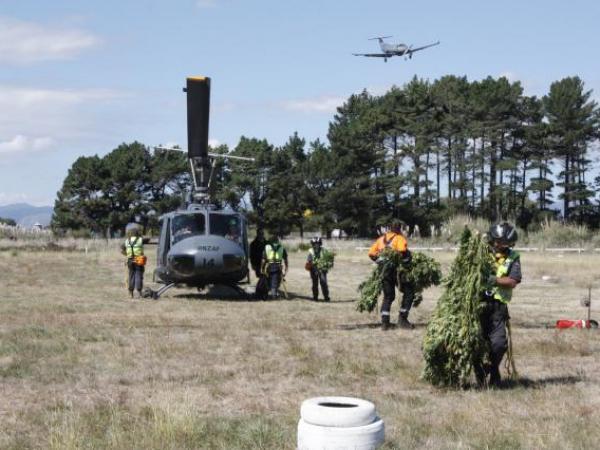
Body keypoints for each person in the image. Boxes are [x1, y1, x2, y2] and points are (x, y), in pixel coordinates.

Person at [475, 222, 522, 387]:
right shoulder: (480, 252)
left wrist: (495, 280)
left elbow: (513, 281)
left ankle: (490, 368)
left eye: (503, 243)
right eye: (497, 241)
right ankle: (480, 372)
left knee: (499, 343)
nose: (499, 245)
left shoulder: (513, 258)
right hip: (477, 305)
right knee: (477, 341)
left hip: (498, 308)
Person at [368, 219, 415, 330]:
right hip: (397, 272)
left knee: (388, 296)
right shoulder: (399, 238)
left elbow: (371, 253)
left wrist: (379, 260)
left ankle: (385, 323)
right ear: (399, 229)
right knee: (409, 292)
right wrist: (408, 258)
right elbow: (402, 252)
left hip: (384, 272)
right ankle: (402, 320)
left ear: (390, 228)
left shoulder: (381, 239)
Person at [120, 224, 146, 298]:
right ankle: (139, 292)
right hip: (138, 259)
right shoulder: (140, 240)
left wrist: (127, 254)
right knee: (138, 275)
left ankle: (131, 293)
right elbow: (148, 239)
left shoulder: (127, 241)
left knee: (131, 276)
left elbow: (121, 249)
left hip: (130, 259)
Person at [261, 234, 288, 299]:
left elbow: (263, 260)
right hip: (278, 267)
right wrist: (286, 268)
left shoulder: (267, 248)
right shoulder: (282, 248)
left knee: (269, 280)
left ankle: (271, 293)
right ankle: (273, 295)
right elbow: (286, 260)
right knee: (275, 282)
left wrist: (262, 268)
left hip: (269, 267)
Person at [306, 236, 331, 302]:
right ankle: (315, 297)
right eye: (314, 244)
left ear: (320, 244)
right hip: (314, 269)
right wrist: (310, 265)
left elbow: (328, 259)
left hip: (322, 269)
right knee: (315, 283)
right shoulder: (311, 251)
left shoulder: (324, 250)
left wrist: (328, 263)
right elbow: (309, 261)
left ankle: (326, 297)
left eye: (318, 243)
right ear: (312, 244)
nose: (316, 245)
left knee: (323, 282)